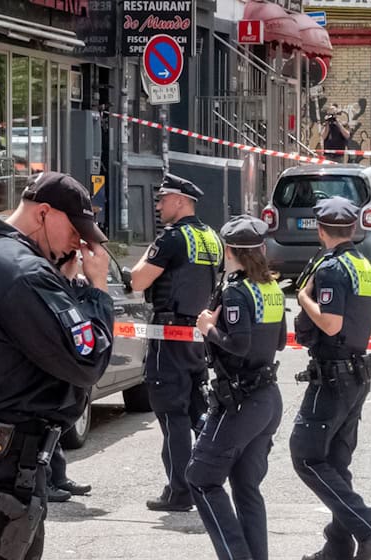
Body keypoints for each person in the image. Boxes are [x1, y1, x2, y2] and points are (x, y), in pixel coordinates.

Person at [0, 171, 114, 560]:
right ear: (43, 213)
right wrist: (96, 291)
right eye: (75, 229)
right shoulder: (23, 272)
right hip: (0, 472)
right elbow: (87, 360)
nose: (80, 242)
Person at [291, 197, 371, 560]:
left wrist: (304, 298)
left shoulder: (332, 268)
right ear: (353, 228)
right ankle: (337, 547)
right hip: (357, 372)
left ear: (321, 230)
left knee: (304, 456)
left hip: (332, 374)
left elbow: (331, 323)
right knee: (335, 462)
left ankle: (369, 525)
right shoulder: (363, 265)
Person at [186, 215, 286, 560]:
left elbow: (238, 344)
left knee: (200, 478)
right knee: (246, 487)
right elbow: (282, 342)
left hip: (239, 401)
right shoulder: (271, 287)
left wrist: (207, 329)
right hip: (268, 399)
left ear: (229, 251)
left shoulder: (235, 290)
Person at [131, 173, 224, 512]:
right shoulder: (212, 237)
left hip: (169, 338)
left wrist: (144, 257)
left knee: (172, 417)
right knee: (197, 411)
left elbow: (139, 280)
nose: (157, 206)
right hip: (197, 338)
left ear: (181, 201)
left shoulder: (171, 238)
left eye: (163, 199)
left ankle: (180, 491)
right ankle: (209, 477)